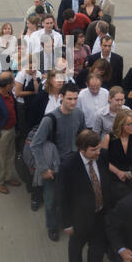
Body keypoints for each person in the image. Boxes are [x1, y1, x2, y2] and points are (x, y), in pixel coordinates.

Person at [30, 82, 85, 241]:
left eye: (75, 99)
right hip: (54, 167)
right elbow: (35, 144)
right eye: (69, 99)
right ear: (61, 97)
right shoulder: (50, 119)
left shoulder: (79, 114)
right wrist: (44, 168)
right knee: (51, 200)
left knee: (70, 198)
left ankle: (67, 221)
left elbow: (82, 134)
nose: (73, 102)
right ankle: (52, 227)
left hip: (73, 165)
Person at [61, 130, 111, 262]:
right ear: (82, 150)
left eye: (99, 148)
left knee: (97, 248)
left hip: (100, 213)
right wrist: (67, 223)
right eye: (93, 150)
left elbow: (106, 181)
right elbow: (62, 197)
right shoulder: (68, 166)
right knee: (76, 247)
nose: (98, 152)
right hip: (79, 217)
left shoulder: (103, 156)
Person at [101, 110, 132, 205]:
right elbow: (103, 161)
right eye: (129, 124)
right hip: (114, 176)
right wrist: (118, 172)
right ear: (121, 125)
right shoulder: (108, 138)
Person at [14, 55, 42, 149]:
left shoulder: (38, 74)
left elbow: (37, 91)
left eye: (34, 67)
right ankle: (20, 147)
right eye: (30, 67)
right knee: (23, 127)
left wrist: (34, 79)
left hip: (32, 104)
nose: (32, 70)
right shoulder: (21, 75)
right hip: (22, 104)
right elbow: (18, 93)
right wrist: (32, 92)